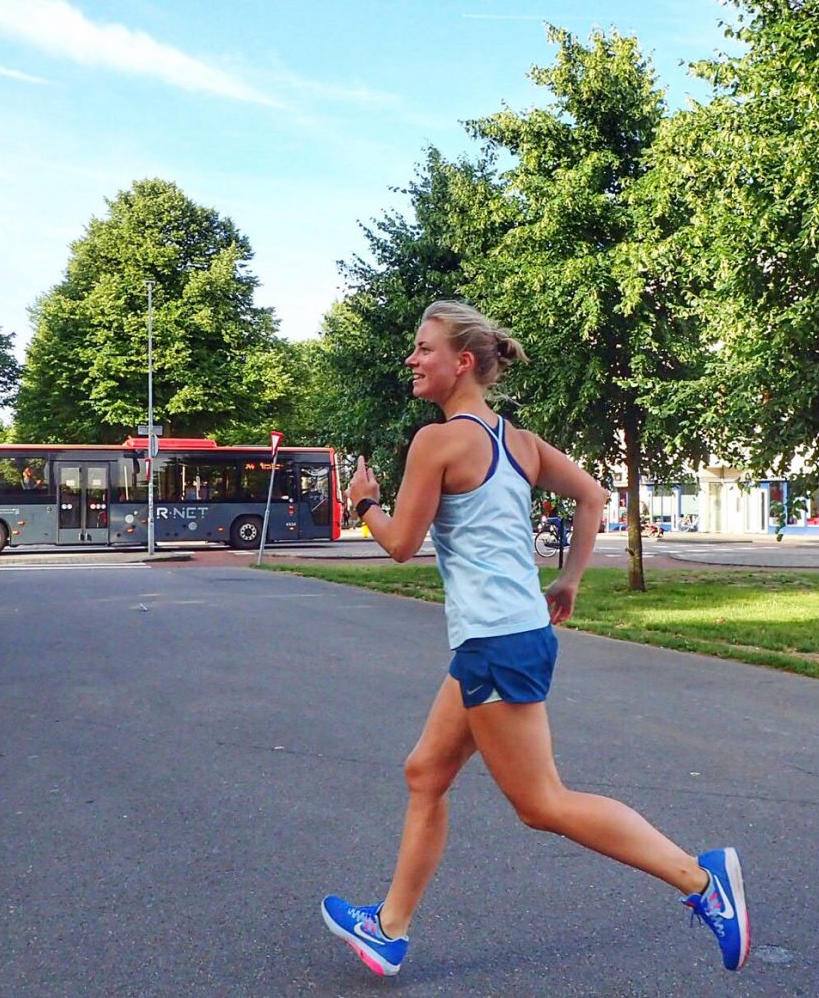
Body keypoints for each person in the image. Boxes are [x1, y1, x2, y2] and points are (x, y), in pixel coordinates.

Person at [320, 300, 751, 977]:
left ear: (463, 362)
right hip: (506, 638)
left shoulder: (437, 442)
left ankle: (702, 880)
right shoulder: (517, 442)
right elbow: (593, 496)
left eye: (424, 349)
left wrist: (365, 503)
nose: (412, 359)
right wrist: (569, 579)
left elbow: (401, 542)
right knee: (426, 773)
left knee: (541, 803)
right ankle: (389, 929)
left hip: (497, 643)